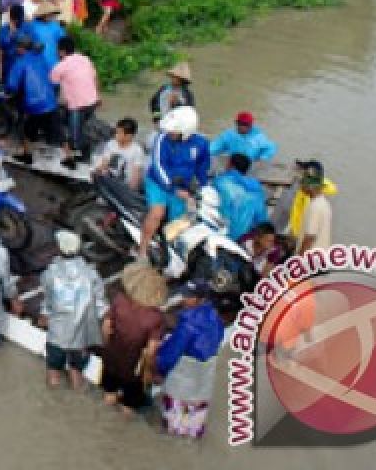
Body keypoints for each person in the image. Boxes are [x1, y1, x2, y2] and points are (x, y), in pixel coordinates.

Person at [155, 280, 226, 439]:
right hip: (203, 383)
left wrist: (158, 369)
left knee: (172, 429)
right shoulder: (217, 320)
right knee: (194, 429)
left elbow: (170, 354)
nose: (184, 299)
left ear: (200, 299)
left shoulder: (187, 325)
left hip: (182, 383)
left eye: (189, 296)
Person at [39, 229, 108, 390]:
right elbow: (100, 304)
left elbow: (48, 301)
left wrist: (44, 315)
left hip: (57, 333)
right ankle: (76, 378)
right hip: (81, 335)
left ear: (59, 249)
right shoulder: (91, 274)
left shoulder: (49, 274)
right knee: (77, 374)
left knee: (53, 372)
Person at [138, 106, 211, 256]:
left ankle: (169, 251)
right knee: (157, 213)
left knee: (181, 221)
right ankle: (142, 250)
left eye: (174, 131)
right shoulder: (161, 139)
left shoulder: (201, 143)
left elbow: (202, 168)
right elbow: (159, 167)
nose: (170, 133)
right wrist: (173, 190)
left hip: (182, 187)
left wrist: (205, 188)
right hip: (158, 183)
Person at [100, 262, 168, 417]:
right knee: (128, 406)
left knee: (109, 395)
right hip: (133, 370)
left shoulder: (119, 301)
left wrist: (108, 349)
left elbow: (105, 328)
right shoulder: (156, 318)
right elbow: (151, 352)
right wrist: (150, 372)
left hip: (111, 360)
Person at [4, 33, 59, 162]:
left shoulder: (20, 63)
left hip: (34, 105)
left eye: (17, 47)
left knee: (26, 127)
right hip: (51, 102)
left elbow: (12, 86)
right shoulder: (41, 58)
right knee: (53, 130)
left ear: (21, 48)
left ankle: (27, 155)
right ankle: (66, 155)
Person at [49, 36, 99, 162]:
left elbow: (52, 82)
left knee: (75, 137)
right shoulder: (85, 59)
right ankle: (75, 139)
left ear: (61, 51)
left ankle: (84, 149)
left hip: (77, 106)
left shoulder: (61, 66)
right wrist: (98, 96)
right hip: (92, 102)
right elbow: (95, 77)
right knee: (77, 126)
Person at [213, 153, 269, 241]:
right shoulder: (257, 189)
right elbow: (261, 219)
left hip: (221, 235)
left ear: (230, 165)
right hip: (246, 240)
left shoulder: (220, 181)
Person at [92, 117, 147, 191]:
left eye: (119, 133)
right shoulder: (111, 144)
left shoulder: (137, 150)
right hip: (112, 179)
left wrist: (131, 192)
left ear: (128, 136)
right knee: (97, 164)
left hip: (126, 184)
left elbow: (135, 176)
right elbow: (104, 164)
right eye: (116, 132)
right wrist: (96, 172)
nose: (116, 135)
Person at [291, 160, 333, 254]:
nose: (300, 183)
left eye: (302, 179)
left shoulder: (315, 207)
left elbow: (310, 237)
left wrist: (298, 261)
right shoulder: (323, 203)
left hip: (309, 262)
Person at [210, 111, 278, 163]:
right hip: (234, 165)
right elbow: (215, 147)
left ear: (250, 125)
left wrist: (262, 159)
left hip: (251, 166)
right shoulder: (229, 135)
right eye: (239, 123)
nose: (241, 126)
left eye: (244, 124)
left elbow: (271, 148)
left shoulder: (258, 137)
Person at [29, 1, 66, 70]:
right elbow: (28, 42)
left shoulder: (56, 26)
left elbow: (63, 42)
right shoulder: (32, 25)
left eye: (52, 14)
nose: (51, 15)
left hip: (54, 60)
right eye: (49, 14)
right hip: (37, 60)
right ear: (43, 14)